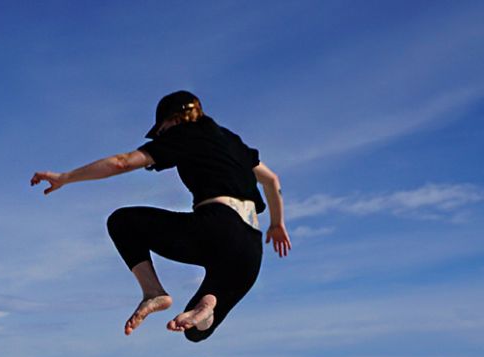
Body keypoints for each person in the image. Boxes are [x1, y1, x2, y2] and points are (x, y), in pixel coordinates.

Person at [31, 91, 290, 341]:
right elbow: (271, 180)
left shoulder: (184, 132)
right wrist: (277, 224)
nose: (162, 136)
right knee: (195, 331)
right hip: (250, 249)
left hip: (218, 226)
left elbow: (123, 162)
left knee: (122, 221)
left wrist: (66, 177)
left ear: (174, 119)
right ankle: (208, 305)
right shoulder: (233, 142)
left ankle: (153, 291)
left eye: (162, 130)